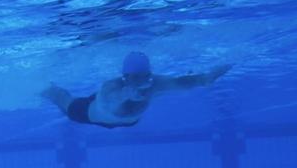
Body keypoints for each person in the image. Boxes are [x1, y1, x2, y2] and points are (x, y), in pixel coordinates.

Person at [42, 51, 230, 129]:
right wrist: (127, 94)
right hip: (87, 112)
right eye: (136, 77)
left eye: (145, 76)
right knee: (60, 96)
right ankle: (38, 87)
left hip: (127, 120)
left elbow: (183, 82)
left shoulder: (153, 82)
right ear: (125, 77)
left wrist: (208, 77)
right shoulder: (112, 88)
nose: (143, 82)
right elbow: (113, 100)